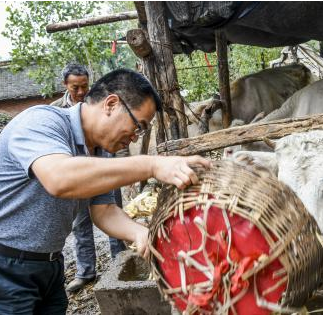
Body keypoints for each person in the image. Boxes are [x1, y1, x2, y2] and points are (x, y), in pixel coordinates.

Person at [0, 68, 211, 314]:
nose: (134, 138)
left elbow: (104, 210)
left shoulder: (99, 150)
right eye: (137, 126)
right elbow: (59, 178)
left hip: (50, 265)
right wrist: (152, 164)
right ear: (111, 104)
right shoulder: (41, 122)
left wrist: (141, 233)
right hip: (7, 266)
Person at [50, 63, 127, 293]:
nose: (82, 92)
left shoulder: (99, 104)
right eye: (76, 87)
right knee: (80, 224)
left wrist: (122, 168)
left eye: (85, 86)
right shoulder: (56, 110)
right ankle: (86, 272)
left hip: (105, 170)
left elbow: (117, 134)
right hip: (79, 175)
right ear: (65, 85)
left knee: (113, 214)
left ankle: (120, 262)